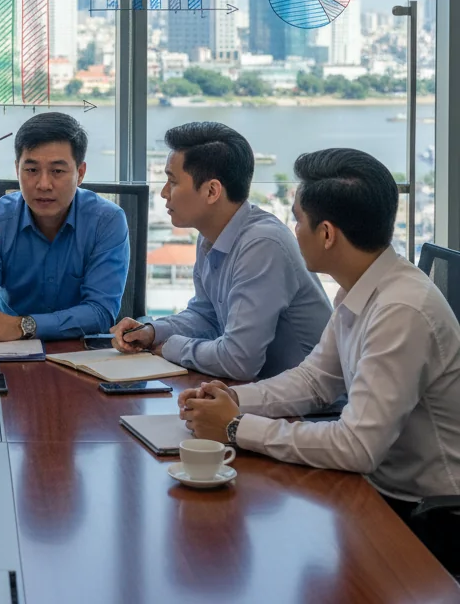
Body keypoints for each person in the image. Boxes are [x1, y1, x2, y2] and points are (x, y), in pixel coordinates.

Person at [180, 148, 460, 571]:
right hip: (379, 491)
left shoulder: (402, 310)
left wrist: (236, 427)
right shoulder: (363, 285)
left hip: (429, 518)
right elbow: (315, 380)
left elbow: (357, 447)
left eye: (297, 220)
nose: (294, 231)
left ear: (326, 233)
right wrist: (236, 401)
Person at [112, 121, 331, 380]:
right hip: (262, 396)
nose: (163, 193)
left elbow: (238, 361)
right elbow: (206, 317)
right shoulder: (209, 238)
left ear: (212, 191)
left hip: (313, 411)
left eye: (172, 181)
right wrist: (152, 332)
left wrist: (170, 347)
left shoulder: (262, 244)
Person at [0, 113, 128, 342]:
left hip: (81, 356)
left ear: (80, 173)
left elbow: (101, 313)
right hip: (11, 355)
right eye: (32, 170)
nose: (43, 185)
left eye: (57, 171)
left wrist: (24, 325)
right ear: (17, 170)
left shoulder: (107, 221)